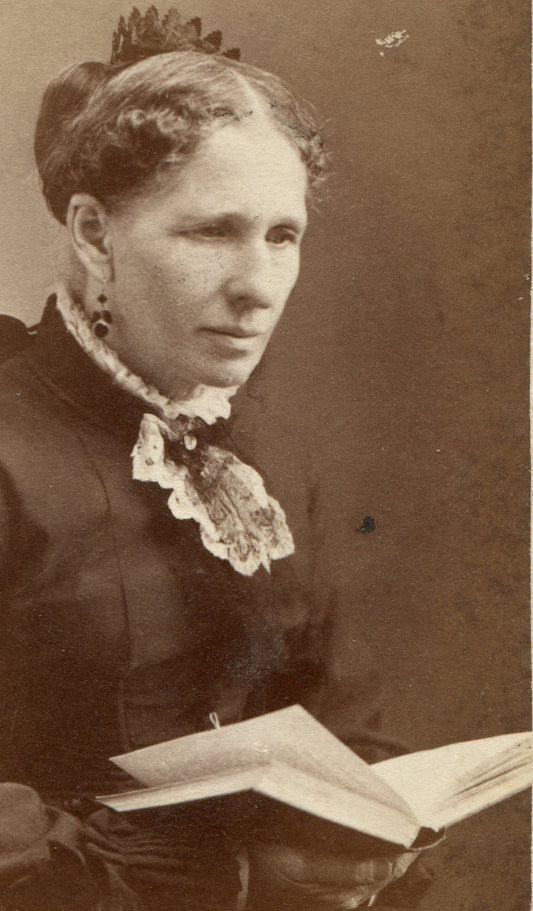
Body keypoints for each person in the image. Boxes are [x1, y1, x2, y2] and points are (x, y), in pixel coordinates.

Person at [0, 8, 436, 910]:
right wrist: (222, 874)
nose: (258, 287)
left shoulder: (262, 454)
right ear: (91, 233)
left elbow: (336, 718)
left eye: (283, 235)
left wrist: (371, 840)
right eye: (210, 232)